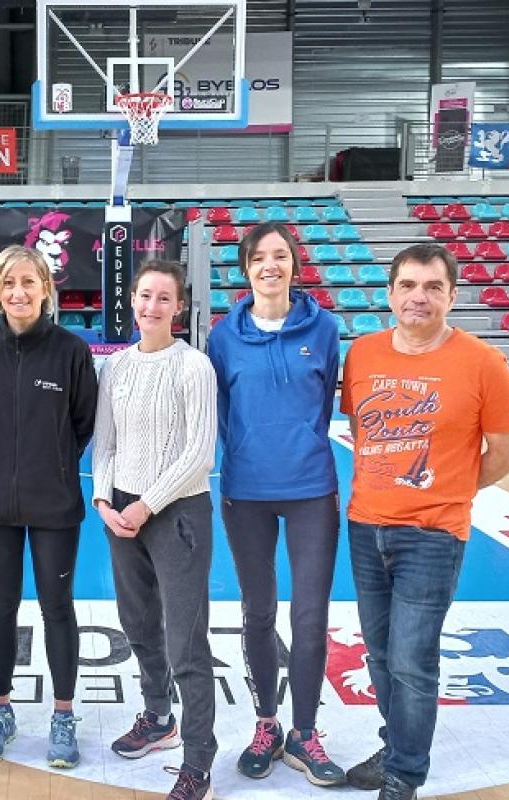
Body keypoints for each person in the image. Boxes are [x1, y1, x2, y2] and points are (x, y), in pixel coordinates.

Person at [339, 243, 509, 800]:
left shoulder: (482, 362)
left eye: (433, 287)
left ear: (452, 295)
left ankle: (403, 776)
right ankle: (397, 746)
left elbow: (508, 452)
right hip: (365, 527)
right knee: (377, 653)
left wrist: (448, 494)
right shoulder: (363, 355)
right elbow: (367, 432)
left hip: (433, 536)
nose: (419, 297)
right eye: (409, 286)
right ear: (390, 293)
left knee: (412, 662)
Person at [206, 221, 346, 786]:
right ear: (245, 268)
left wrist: (300, 447)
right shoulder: (222, 336)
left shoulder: (326, 329)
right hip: (247, 493)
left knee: (310, 618)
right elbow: (219, 411)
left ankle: (304, 733)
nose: (270, 265)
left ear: (294, 264)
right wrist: (245, 451)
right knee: (258, 612)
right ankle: (266, 724)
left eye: (281, 255)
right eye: (260, 256)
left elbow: (326, 407)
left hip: (312, 488)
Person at [0, 246, 97, 768]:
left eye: (28, 282)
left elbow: (84, 423)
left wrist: (56, 466)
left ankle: (63, 715)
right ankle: (1, 711)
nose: (19, 293)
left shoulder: (70, 351)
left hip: (54, 506)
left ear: (45, 287)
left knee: (56, 607)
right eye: (8, 284)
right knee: (0, 607)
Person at [92, 260, 218, 800]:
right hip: (120, 512)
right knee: (138, 624)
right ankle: (157, 717)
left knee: (186, 641)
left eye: (163, 298)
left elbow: (198, 453)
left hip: (177, 513)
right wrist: (102, 497)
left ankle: (198, 760)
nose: (151, 307)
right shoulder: (115, 368)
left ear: (179, 307)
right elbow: (105, 442)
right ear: (133, 301)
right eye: (144, 296)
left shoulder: (194, 367)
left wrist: (146, 504)